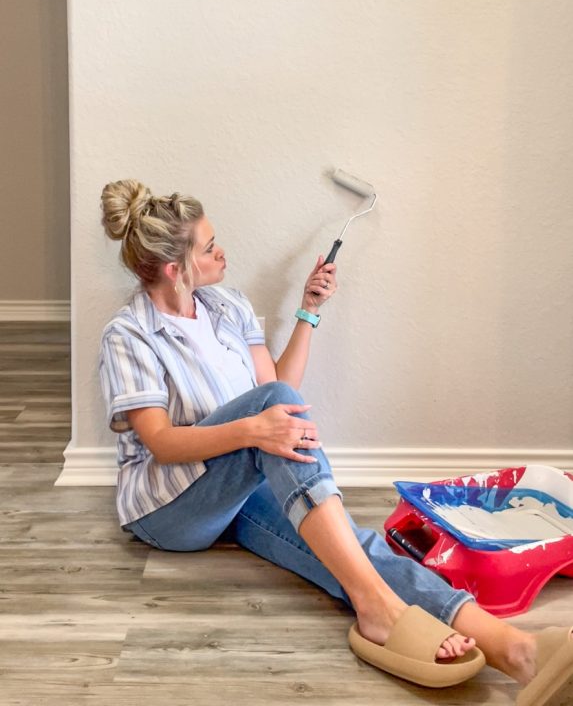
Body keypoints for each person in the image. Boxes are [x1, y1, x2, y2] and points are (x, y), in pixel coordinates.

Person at [98, 179, 573, 702]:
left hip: (237, 490)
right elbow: (163, 443)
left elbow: (277, 389)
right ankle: (378, 607)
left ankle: (517, 650)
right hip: (170, 509)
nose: (222, 252)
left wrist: (309, 309)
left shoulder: (227, 307)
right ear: (175, 268)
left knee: (351, 545)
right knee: (275, 420)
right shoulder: (128, 334)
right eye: (210, 248)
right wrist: (255, 429)